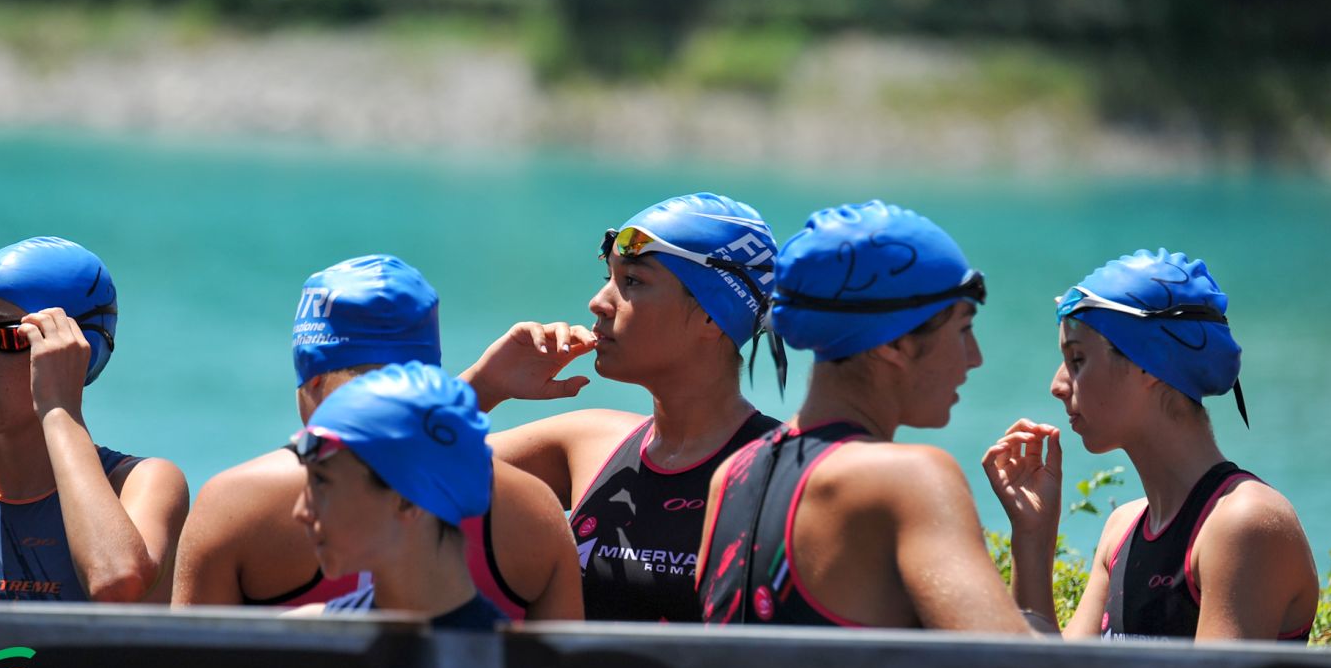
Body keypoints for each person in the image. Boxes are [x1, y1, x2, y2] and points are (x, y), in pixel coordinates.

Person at [172, 254, 581, 618]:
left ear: (312, 380)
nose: (304, 509)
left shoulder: (235, 505)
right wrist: (481, 388)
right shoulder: (534, 511)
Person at [695, 200, 1033, 633]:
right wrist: (1036, 592)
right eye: (963, 329)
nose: (975, 357)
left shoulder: (732, 475)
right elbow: (1008, 663)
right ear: (893, 343)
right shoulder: (909, 478)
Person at [461, 192, 783, 622]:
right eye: (609, 277)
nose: (598, 302)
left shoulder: (783, 472)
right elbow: (387, 476)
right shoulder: (589, 444)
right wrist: (481, 387)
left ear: (711, 314)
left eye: (632, 281)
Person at [983, 248, 1318, 641]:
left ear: (1150, 362)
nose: (1057, 386)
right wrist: (1032, 536)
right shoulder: (1122, 530)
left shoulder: (1242, 524)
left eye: (1077, 360)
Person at [0, 237, 187, 603]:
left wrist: (59, 407)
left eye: (8, 337)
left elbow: (115, 581)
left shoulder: (140, 484)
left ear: (76, 353)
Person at [289, 361, 503, 629]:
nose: (300, 512)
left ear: (406, 500)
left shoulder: (305, 640)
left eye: (321, 481)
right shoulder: (299, 634)